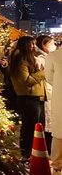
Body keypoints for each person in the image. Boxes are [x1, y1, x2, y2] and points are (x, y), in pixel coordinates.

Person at [11, 35, 47, 158]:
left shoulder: (29, 59)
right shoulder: (21, 61)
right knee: (29, 128)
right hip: (29, 98)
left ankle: (32, 152)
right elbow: (25, 81)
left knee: (35, 127)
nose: (34, 47)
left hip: (36, 96)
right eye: (32, 44)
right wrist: (43, 73)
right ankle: (27, 153)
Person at [44, 36, 62, 171]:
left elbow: (48, 78)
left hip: (59, 98)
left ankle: (57, 165)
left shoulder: (53, 56)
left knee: (59, 132)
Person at [38, 35, 56, 145]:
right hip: (45, 90)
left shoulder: (48, 56)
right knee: (47, 119)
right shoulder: (40, 58)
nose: (53, 46)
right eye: (51, 44)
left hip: (50, 90)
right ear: (44, 45)